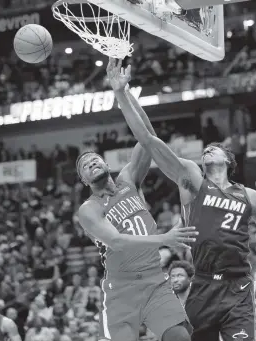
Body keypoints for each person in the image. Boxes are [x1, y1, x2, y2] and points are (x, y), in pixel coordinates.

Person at [107, 58, 256, 341]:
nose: (207, 150)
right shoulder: (193, 181)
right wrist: (122, 94)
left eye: (214, 148)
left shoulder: (251, 197)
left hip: (239, 287)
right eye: (205, 149)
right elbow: (148, 140)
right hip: (204, 284)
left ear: (229, 160)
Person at [77, 78, 198, 341]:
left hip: (155, 280)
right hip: (121, 288)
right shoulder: (89, 209)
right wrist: (164, 238)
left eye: (94, 159)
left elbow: (148, 138)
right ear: (85, 180)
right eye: (85, 166)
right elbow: (117, 241)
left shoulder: (128, 179)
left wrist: (125, 95)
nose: (91, 163)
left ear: (105, 163)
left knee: (181, 337)